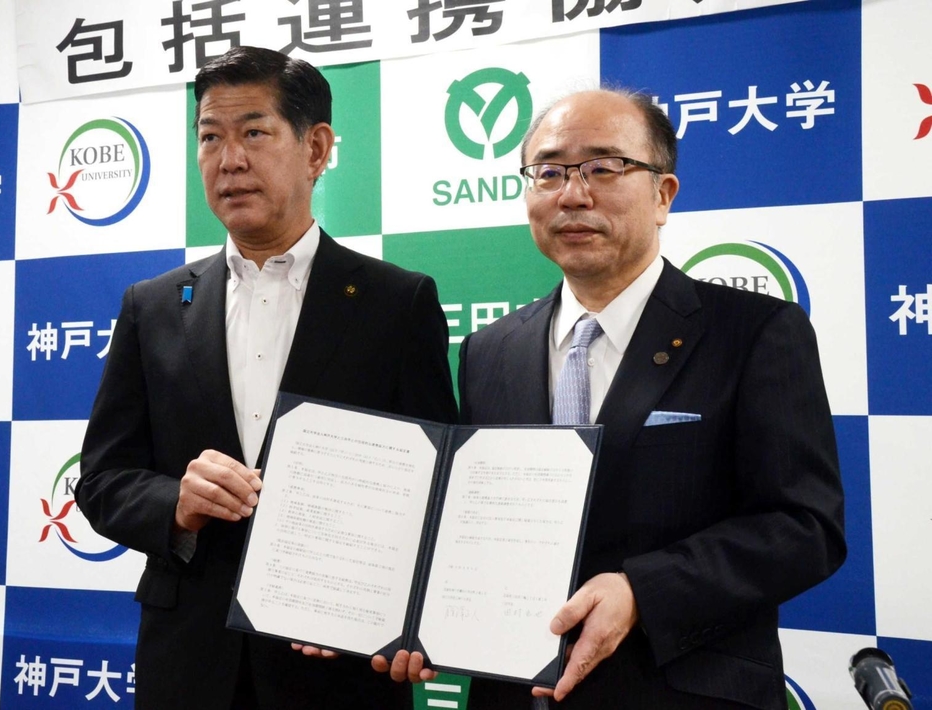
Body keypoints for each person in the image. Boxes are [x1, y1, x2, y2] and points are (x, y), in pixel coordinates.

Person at [76, 46, 458, 710]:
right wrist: (176, 504)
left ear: (316, 149)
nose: (229, 160)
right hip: (188, 662)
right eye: (209, 138)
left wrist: (389, 605)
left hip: (337, 666)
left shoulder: (397, 302)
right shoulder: (152, 305)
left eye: (253, 133)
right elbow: (102, 479)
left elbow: (436, 487)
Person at [453, 88, 846, 709]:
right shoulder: (489, 350)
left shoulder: (755, 332)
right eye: (549, 172)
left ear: (663, 195)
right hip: (515, 692)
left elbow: (805, 528)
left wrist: (643, 590)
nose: (573, 195)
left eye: (604, 168)